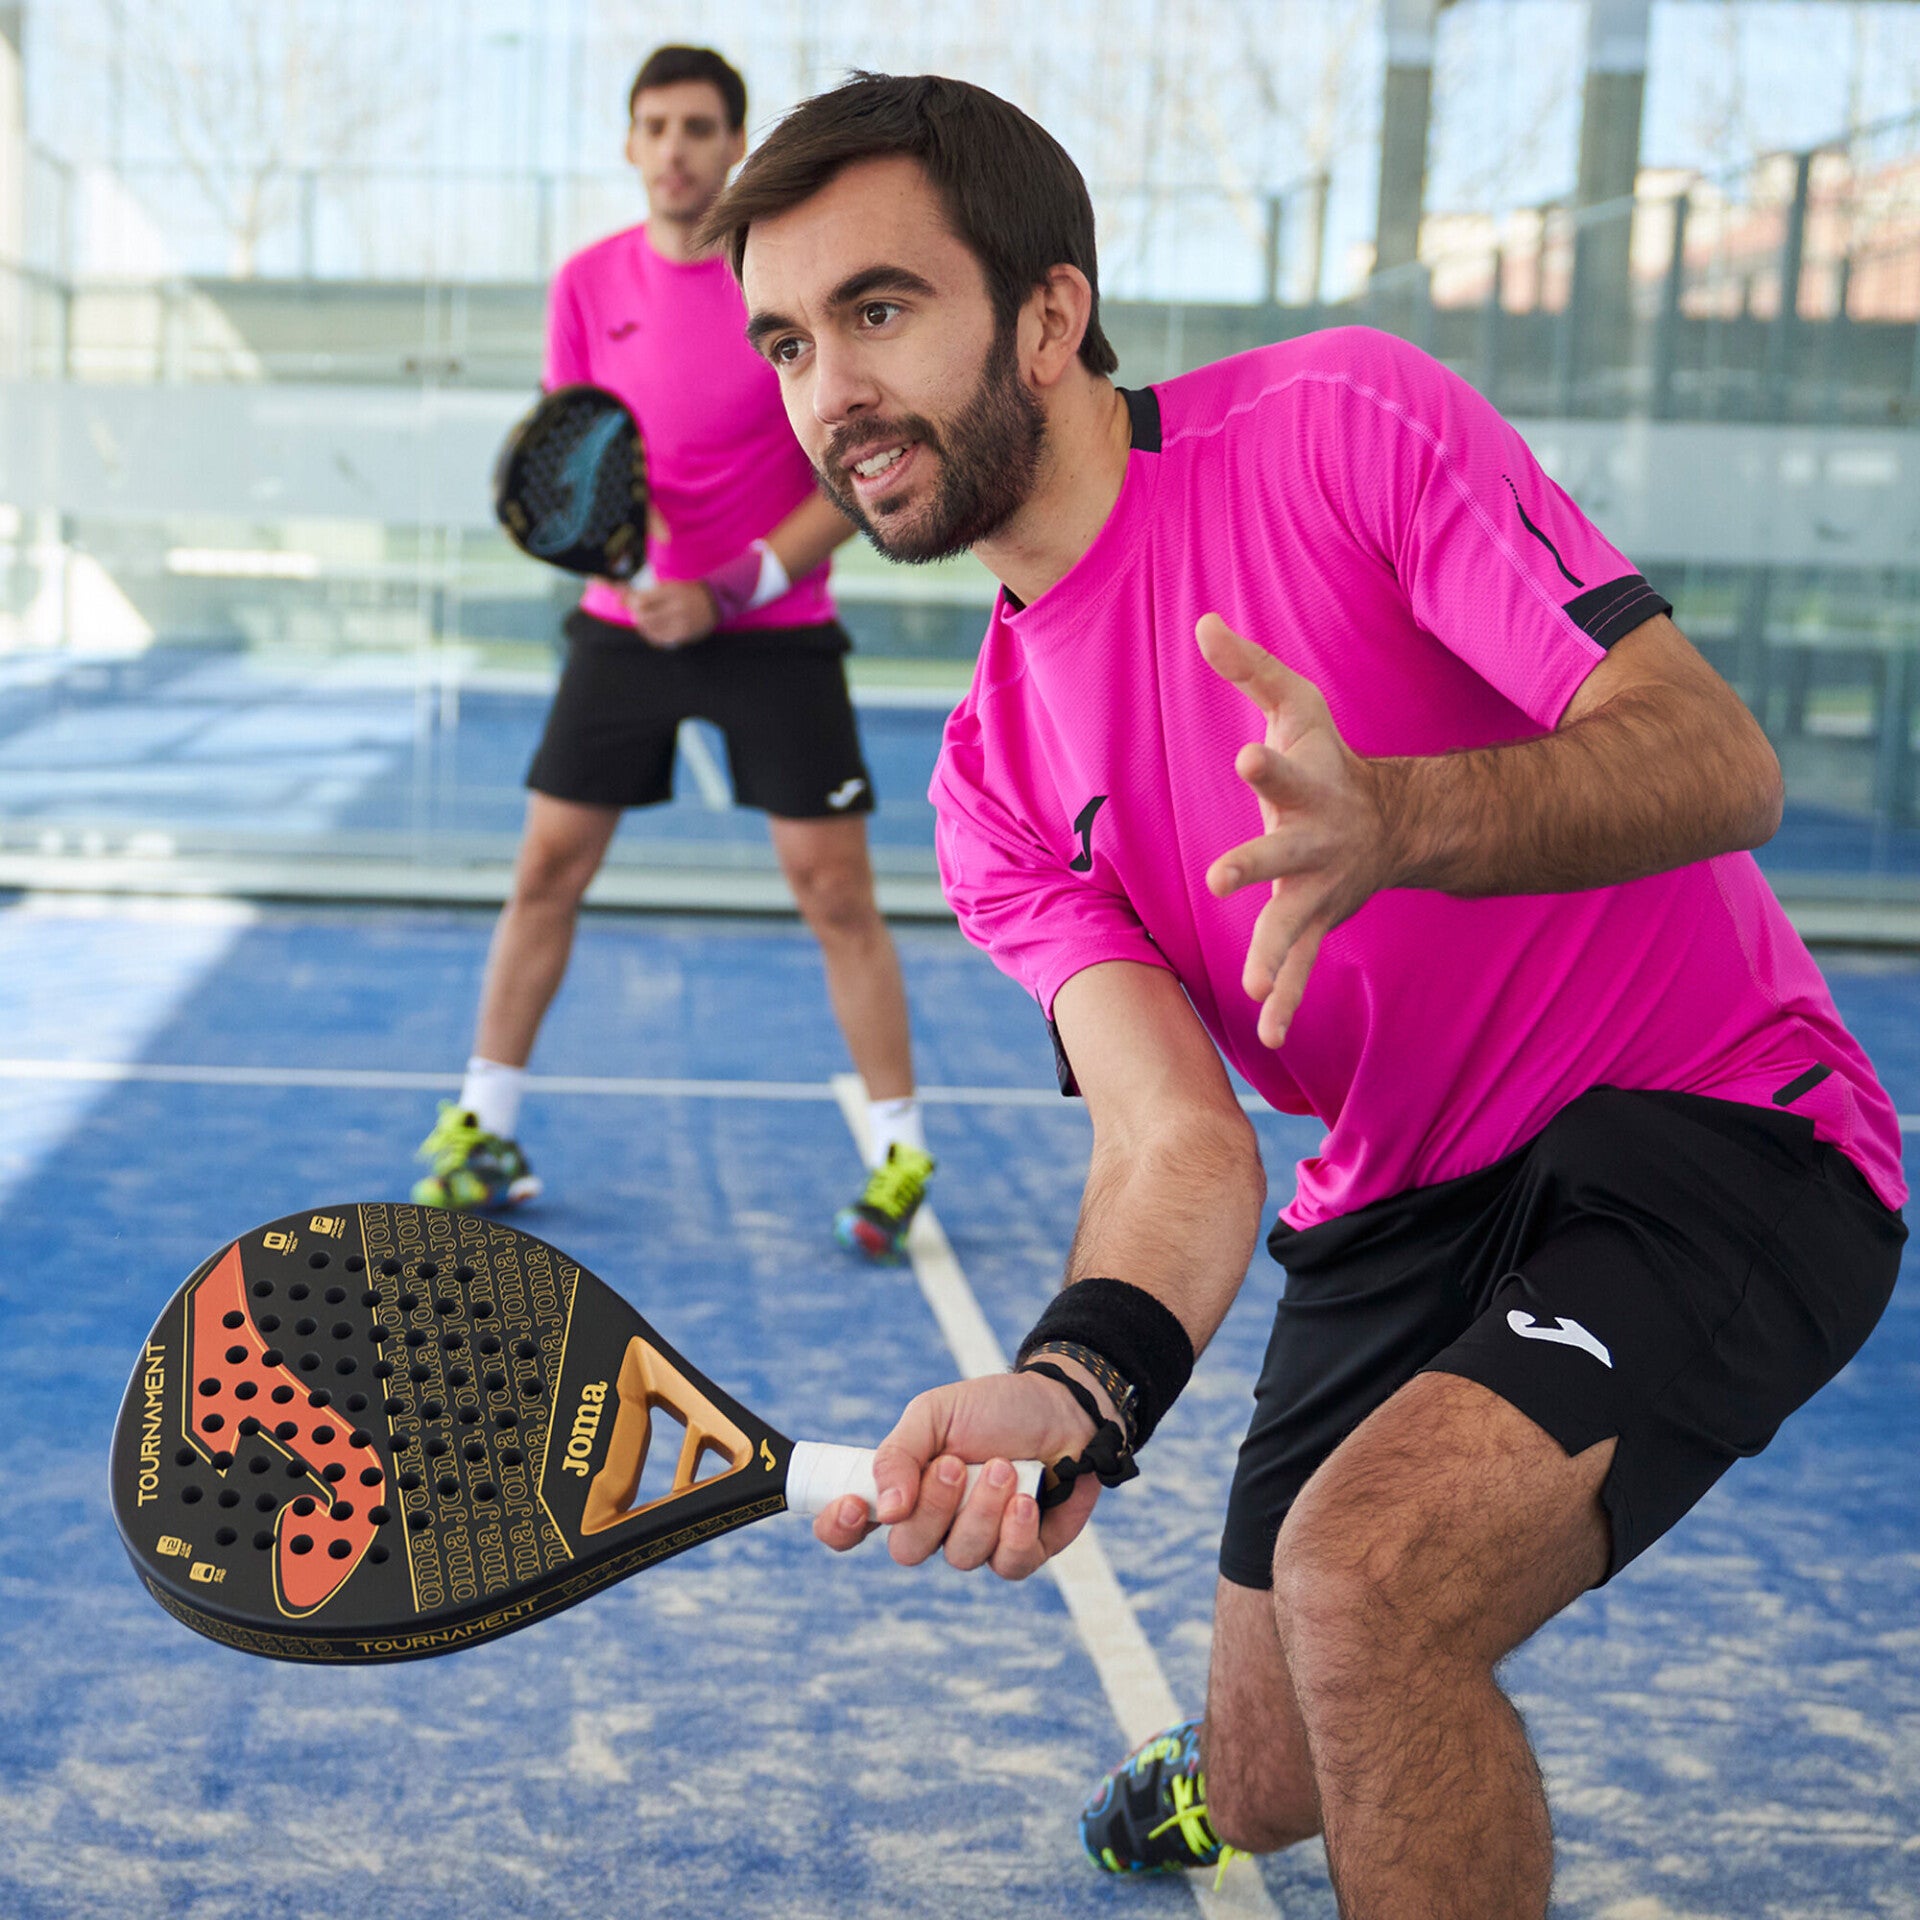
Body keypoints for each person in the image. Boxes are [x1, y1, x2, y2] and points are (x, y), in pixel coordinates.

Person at [697, 72, 1909, 1916]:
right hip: (1399, 1200)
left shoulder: (1338, 423)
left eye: (878, 310)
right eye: (788, 340)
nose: (828, 392)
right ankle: (1232, 1774)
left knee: (1367, 1586)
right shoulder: (989, 783)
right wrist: (1074, 1381)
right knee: (1276, 1770)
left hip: (1712, 1122)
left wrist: (1403, 818)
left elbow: (1714, 756)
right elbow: (1177, 1140)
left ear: (1048, 310)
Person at [413, 47, 936, 1261]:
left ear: (735, 146)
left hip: (775, 631)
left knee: (836, 895)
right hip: (625, 632)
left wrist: (727, 589)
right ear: (631, 145)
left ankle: (900, 1148)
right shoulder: (587, 283)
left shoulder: (783, 281)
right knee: (547, 867)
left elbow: (847, 472)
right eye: (655, 127)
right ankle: (483, 1126)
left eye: (700, 127)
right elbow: (573, 462)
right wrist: (634, 576)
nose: (677, 149)